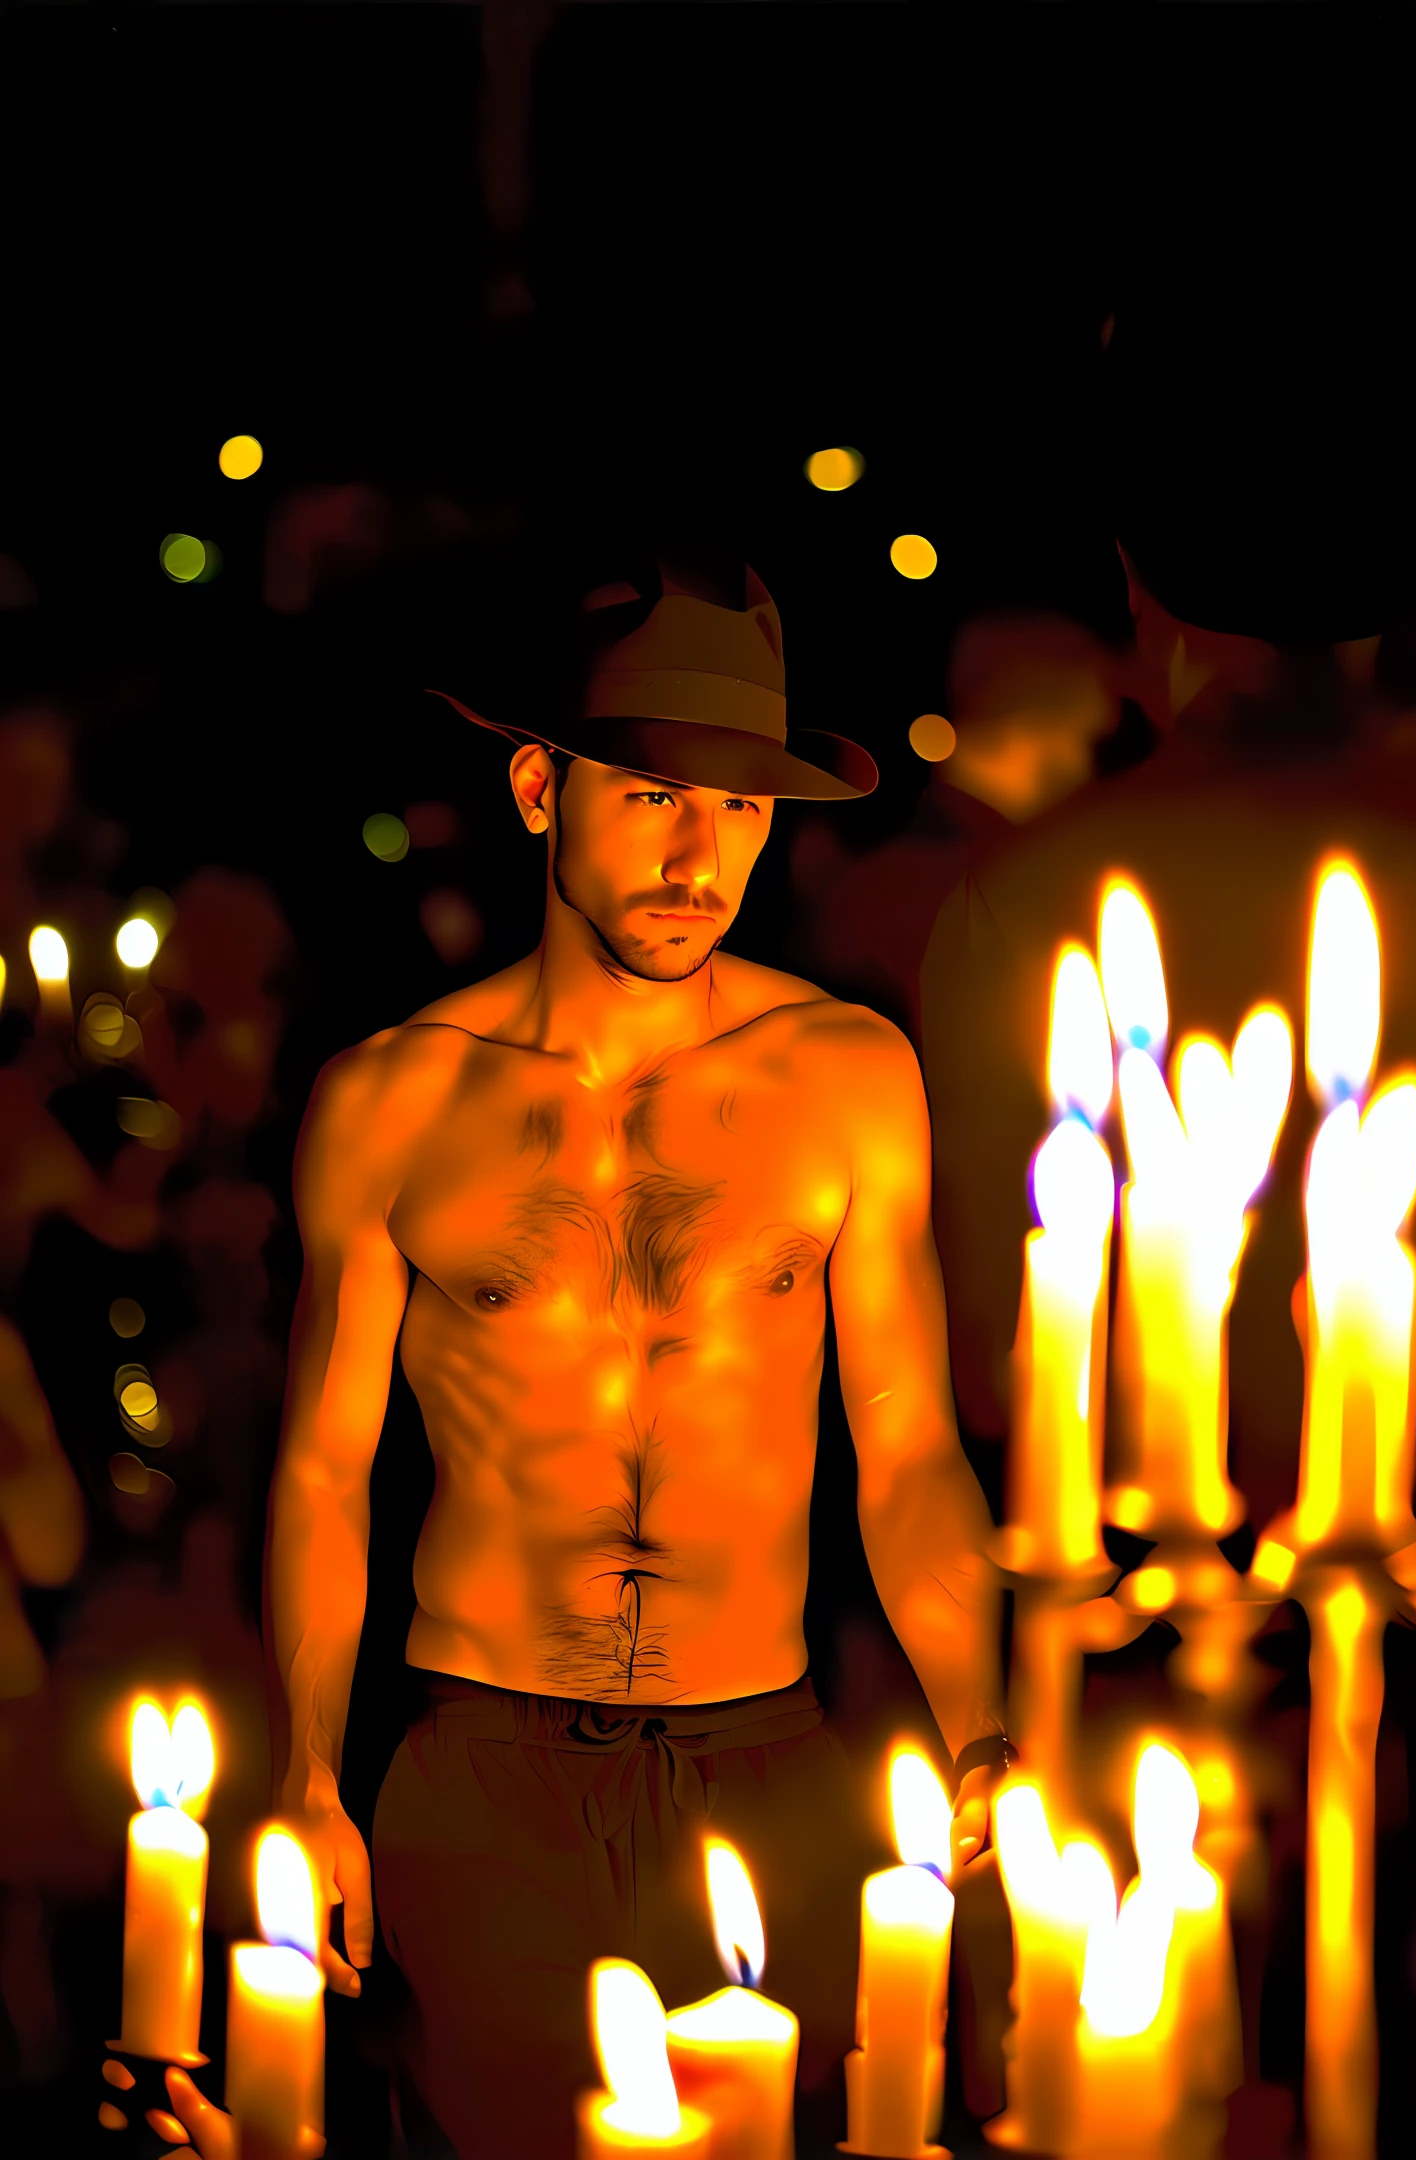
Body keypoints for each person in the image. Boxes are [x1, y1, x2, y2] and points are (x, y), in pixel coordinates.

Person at [263, 559, 1007, 2158]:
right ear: (541, 786)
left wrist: (981, 1724)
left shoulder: (847, 1075)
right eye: (660, 793)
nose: (701, 853)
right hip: (483, 1757)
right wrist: (306, 1776)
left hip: (769, 1751)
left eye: (743, 810)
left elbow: (908, 1438)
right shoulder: (393, 1101)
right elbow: (325, 1467)